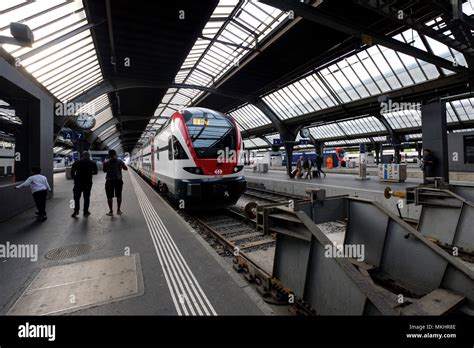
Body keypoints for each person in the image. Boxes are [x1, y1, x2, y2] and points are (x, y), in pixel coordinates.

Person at [71, 151, 98, 218]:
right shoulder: (92, 163)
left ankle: (76, 211)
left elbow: (72, 173)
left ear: (82, 155)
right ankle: (85, 211)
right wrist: (89, 174)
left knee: (76, 198)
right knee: (86, 198)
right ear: (89, 156)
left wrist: (75, 179)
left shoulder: (76, 162)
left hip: (78, 183)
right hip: (88, 183)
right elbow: (95, 172)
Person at [103, 149, 128, 216]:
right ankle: (118, 210)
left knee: (109, 197)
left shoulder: (106, 162)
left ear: (109, 155)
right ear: (115, 154)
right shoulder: (120, 161)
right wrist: (120, 167)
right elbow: (126, 168)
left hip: (109, 181)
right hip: (118, 180)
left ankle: (111, 211)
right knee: (119, 195)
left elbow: (104, 171)